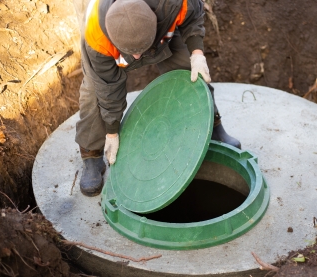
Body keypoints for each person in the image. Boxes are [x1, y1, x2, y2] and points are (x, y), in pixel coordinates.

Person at [76, 0, 241, 196]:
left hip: (161, 36)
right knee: (94, 95)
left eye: (140, 51)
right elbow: (108, 88)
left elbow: (193, 16)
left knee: (188, 71)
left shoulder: (173, 3)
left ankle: (211, 125)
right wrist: (112, 131)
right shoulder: (96, 37)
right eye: (133, 53)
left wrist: (197, 53)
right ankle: (91, 155)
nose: (137, 58)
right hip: (111, 49)